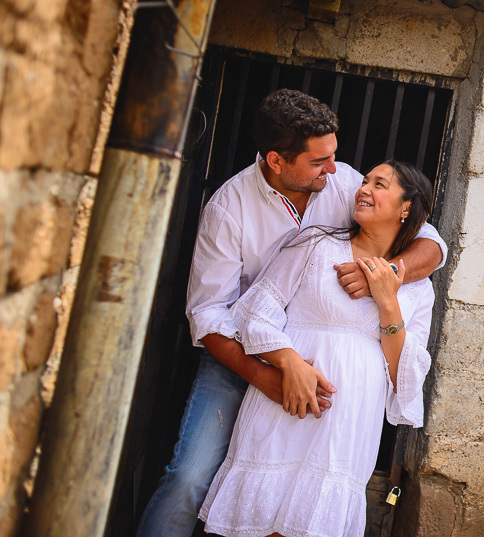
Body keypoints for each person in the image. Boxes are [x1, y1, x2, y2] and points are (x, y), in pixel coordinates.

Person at [135, 90, 446, 537]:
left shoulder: (341, 182)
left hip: (334, 396)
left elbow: (429, 240)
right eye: (319, 161)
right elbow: (208, 314)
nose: (336, 171)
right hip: (238, 353)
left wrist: (390, 277)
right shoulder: (229, 208)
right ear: (277, 161)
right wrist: (271, 375)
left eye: (334, 156)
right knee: (190, 477)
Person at [200, 160, 436, 537]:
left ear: (406, 208)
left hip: (348, 420)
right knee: (259, 522)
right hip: (286, 400)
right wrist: (289, 362)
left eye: (379, 184)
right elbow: (254, 313)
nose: (363, 189)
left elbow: (404, 375)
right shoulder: (317, 245)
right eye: (364, 181)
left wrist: (388, 301)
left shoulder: (418, 287)